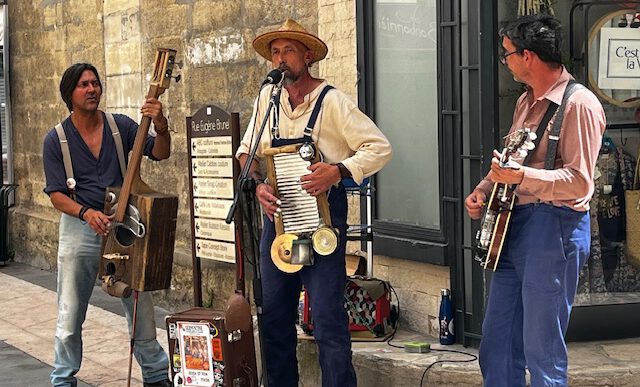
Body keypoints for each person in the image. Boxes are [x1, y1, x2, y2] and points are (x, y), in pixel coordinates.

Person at [236, 18, 392, 387]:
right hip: (279, 224)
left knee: (327, 320)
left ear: (307, 56)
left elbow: (379, 147)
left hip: (322, 222)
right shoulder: (267, 100)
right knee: (273, 317)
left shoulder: (333, 101)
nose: (279, 59)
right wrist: (258, 185)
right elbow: (247, 155)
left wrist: (338, 170)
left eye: (287, 50)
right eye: (274, 52)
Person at [464, 15, 606, 387]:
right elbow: (513, 165)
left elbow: (578, 182)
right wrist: (483, 189)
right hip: (515, 225)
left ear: (527, 56)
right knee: (496, 343)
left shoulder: (580, 105)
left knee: (542, 350)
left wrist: (522, 177)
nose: (505, 60)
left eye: (506, 54)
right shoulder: (526, 103)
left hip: (554, 228)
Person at [43, 63, 173, 387]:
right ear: (69, 94)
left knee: (140, 307)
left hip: (123, 225)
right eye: (83, 85)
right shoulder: (55, 139)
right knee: (70, 313)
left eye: (95, 83)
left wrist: (161, 124)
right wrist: (86, 212)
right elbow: (57, 195)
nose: (91, 89)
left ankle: (156, 376)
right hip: (80, 230)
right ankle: (62, 379)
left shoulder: (121, 126)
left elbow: (160, 152)